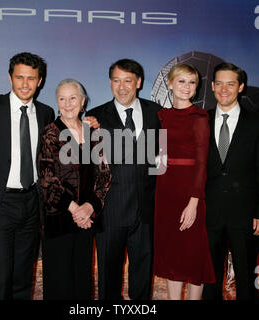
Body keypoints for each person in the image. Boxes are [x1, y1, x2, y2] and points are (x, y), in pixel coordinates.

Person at [0, 52, 55, 300]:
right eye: (19, 77)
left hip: (31, 204)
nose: (24, 84)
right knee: (0, 276)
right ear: (9, 77)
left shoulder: (45, 113)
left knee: (23, 277)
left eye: (31, 78)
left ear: (40, 81)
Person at [86, 59, 162, 300]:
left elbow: (163, 158)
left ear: (138, 82)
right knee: (109, 276)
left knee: (143, 273)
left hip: (146, 211)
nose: (121, 87)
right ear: (110, 83)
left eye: (127, 81)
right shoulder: (95, 117)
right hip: (110, 210)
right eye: (116, 81)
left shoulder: (156, 113)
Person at [202, 62, 259, 300]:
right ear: (212, 86)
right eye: (219, 83)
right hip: (209, 214)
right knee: (209, 280)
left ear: (241, 87)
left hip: (246, 216)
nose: (224, 89)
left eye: (230, 83)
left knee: (246, 281)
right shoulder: (200, 120)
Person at [38, 79, 111, 300]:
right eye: (62, 98)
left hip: (87, 221)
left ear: (83, 101)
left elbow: (104, 175)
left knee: (82, 283)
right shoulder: (50, 133)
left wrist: (89, 207)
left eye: (73, 98)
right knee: (60, 285)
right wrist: (75, 209)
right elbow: (46, 180)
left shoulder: (94, 133)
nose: (67, 103)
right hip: (58, 220)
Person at [153, 63, 214, 300]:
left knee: (193, 254)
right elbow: (156, 155)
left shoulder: (199, 116)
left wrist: (194, 201)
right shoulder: (161, 115)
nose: (187, 87)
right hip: (165, 190)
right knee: (171, 252)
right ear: (169, 83)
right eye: (181, 81)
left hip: (190, 192)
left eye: (191, 82)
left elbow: (201, 162)